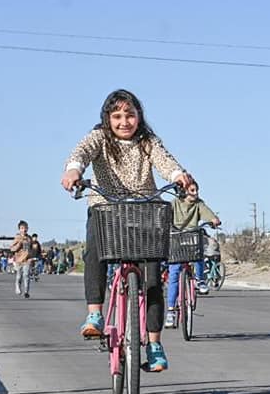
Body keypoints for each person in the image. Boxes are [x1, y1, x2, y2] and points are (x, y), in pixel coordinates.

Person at [60, 89, 194, 372]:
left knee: (153, 277)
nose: (124, 121)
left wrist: (179, 175)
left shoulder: (147, 142)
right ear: (107, 118)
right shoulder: (99, 138)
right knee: (94, 251)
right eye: (117, 115)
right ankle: (94, 315)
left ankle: (155, 345)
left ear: (139, 116)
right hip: (107, 210)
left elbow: (165, 161)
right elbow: (80, 153)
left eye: (130, 115)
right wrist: (73, 171)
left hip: (144, 210)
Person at [165, 181, 221, 328]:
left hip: (192, 238)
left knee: (199, 255)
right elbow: (164, 216)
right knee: (174, 274)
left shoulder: (199, 204)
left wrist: (213, 220)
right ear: (183, 191)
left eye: (196, 190)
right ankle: (170, 311)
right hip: (177, 239)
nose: (195, 193)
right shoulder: (173, 204)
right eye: (192, 190)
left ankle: (200, 280)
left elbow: (208, 213)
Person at [9, 220, 33, 298]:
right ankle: (17, 287)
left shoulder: (29, 238)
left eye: (25, 228)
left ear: (28, 228)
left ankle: (26, 291)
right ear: (19, 229)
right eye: (22, 228)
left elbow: (31, 249)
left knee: (26, 275)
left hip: (27, 260)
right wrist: (18, 245)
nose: (24, 229)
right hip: (19, 260)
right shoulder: (17, 237)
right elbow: (11, 248)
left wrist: (32, 257)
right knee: (19, 276)